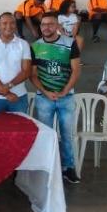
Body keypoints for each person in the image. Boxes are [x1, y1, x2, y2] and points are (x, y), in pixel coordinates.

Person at [31, 12, 81, 184]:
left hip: (66, 97)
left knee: (67, 135)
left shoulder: (69, 43)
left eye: (50, 24)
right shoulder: (35, 46)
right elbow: (33, 75)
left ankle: (69, 168)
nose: (46, 27)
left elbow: (76, 71)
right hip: (44, 98)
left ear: (57, 26)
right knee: (45, 135)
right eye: (43, 24)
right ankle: (46, 168)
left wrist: (65, 91)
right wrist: (46, 92)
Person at [0, 12, 32, 113]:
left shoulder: (23, 44)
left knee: (20, 128)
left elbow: (26, 71)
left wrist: (8, 86)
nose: (8, 26)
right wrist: (7, 93)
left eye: (12, 23)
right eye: (4, 23)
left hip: (18, 97)